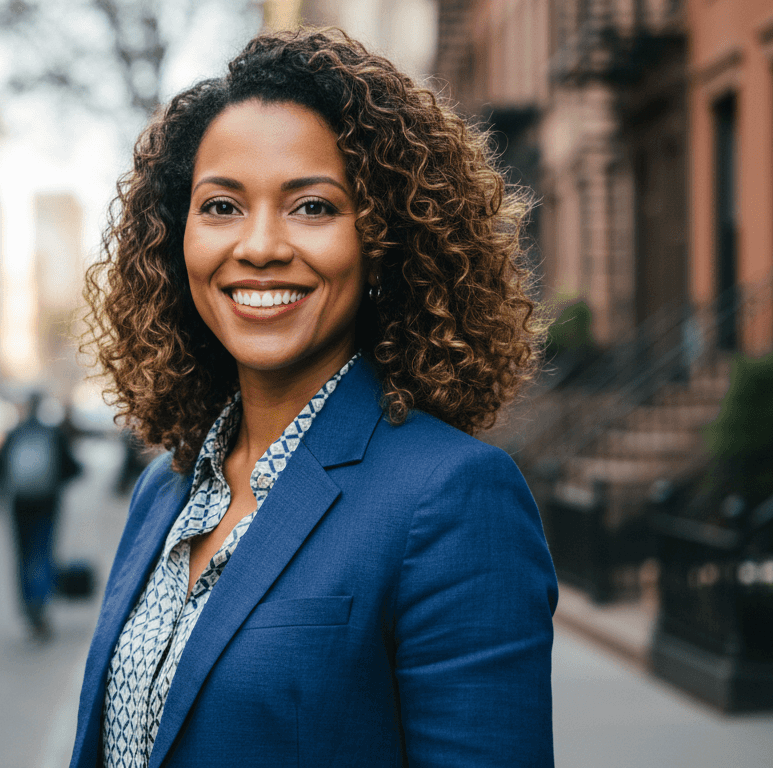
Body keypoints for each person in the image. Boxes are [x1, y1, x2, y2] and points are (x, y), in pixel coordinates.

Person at [71, 29, 557, 768]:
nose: (259, 245)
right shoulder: (164, 490)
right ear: (178, 239)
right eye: (222, 207)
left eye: (313, 207)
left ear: (382, 240)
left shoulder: (453, 498)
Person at [0, 390, 81, 638]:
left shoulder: (15, 434)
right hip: (47, 503)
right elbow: (71, 468)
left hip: (20, 505)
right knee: (43, 554)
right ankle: (41, 606)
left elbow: (0, 470)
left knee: (23, 557)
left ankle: (28, 607)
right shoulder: (52, 434)